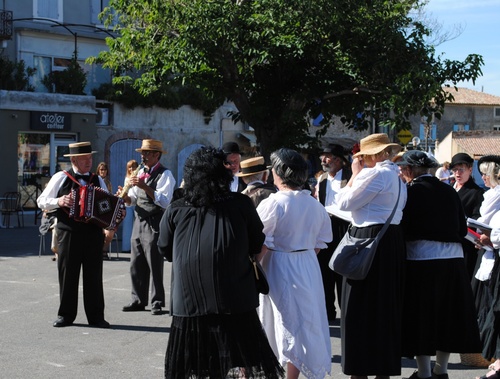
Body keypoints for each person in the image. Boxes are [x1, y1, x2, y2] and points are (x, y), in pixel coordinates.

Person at [157, 147, 284, 379]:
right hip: (233, 293)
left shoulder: (177, 208)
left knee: (195, 361)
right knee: (237, 354)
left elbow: (165, 248)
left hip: (189, 297)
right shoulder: (240, 203)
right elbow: (257, 242)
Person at [397, 150, 481, 379]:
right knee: (448, 316)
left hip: (421, 260)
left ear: (410, 170)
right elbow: (462, 229)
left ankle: (424, 372)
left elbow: (403, 227)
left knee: (421, 316)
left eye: (404, 168)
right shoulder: (449, 191)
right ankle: (441, 369)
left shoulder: (410, 192)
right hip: (453, 260)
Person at [335, 133, 407, 378]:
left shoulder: (375, 174)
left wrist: (354, 175)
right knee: (384, 309)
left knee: (358, 309)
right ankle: (382, 369)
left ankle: (360, 369)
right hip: (390, 242)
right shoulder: (397, 177)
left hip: (369, 241)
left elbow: (343, 203)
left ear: (370, 156)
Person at [256, 148, 332, 379]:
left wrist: (250, 270)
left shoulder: (274, 203)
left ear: (279, 173)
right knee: (304, 321)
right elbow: (321, 242)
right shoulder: (315, 205)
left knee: (282, 321)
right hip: (307, 263)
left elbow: (261, 241)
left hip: (279, 264)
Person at [36, 141, 110, 328]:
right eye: (85, 158)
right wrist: (60, 201)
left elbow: (107, 204)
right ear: (74, 160)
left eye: (90, 157)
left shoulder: (97, 180)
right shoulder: (61, 177)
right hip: (68, 233)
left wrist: (115, 213)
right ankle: (66, 315)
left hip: (93, 234)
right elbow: (41, 201)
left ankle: (96, 316)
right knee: (68, 274)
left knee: (94, 275)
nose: (89, 161)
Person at [119, 139, 175, 315]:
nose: (143, 156)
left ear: (156, 155)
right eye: (142, 153)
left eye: (147, 153)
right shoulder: (140, 171)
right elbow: (134, 199)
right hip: (139, 219)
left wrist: (144, 185)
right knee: (136, 262)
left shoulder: (166, 174)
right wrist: (125, 196)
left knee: (154, 263)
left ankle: (157, 301)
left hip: (154, 221)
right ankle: (138, 299)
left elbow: (165, 201)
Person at [315, 143, 352, 323]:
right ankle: (328, 312)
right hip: (325, 225)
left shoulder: (350, 176)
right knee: (325, 271)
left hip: (343, 226)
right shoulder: (321, 179)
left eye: (327, 156)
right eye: (322, 156)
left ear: (338, 160)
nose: (323, 160)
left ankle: (346, 314)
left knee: (342, 272)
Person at [471, 156, 500, 378]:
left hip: (496, 258)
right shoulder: (491, 196)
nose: (482, 177)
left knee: (496, 310)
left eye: (486, 173)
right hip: (490, 256)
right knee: (490, 308)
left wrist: (489, 239)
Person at [450, 152, 485, 279]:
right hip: (449, 244)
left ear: (470, 170)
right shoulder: (449, 189)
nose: (458, 173)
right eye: (455, 170)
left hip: (465, 246)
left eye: (461, 169)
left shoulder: (476, 192)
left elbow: (477, 219)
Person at [119, 159, 139, 253]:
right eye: (130, 167)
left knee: (137, 225)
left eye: (133, 166)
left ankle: (136, 248)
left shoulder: (139, 177)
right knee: (127, 226)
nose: (132, 168)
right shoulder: (127, 178)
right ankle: (126, 247)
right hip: (128, 203)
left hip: (137, 202)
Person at [97, 161, 113, 259]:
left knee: (110, 232)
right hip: (97, 209)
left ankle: (104, 250)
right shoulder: (95, 180)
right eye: (101, 170)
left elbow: (110, 195)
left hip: (106, 208)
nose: (103, 172)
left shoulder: (108, 183)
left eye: (105, 170)